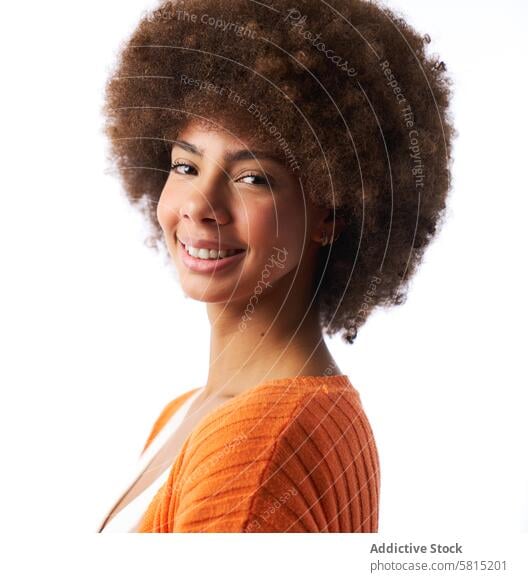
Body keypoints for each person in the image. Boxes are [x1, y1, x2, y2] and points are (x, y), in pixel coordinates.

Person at [97, 0, 455, 532]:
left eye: (252, 178)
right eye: (185, 165)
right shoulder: (192, 413)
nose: (199, 204)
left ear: (329, 213)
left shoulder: (259, 448)